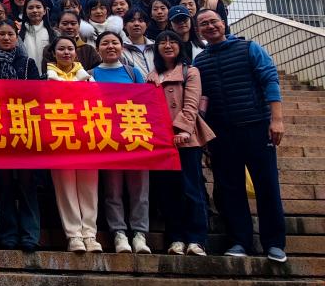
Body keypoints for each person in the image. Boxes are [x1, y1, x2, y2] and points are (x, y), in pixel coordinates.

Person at [194, 9, 287, 262]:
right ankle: (240, 241)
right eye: (203, 24)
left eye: (213, 21)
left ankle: (274, 243)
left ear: (223, 23)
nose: (210, 26)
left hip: (256, 126)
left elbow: (270, 80)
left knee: (267, 185)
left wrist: (276, 119)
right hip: (222, 133)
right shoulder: (199, 61)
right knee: (230, 188)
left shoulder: (249, 48)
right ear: (198, 31)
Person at [148, 30, 214, 256]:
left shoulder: (190, 71)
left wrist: (183, 129)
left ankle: (197, 239)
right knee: (168, 191)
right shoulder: (152, 75)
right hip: (161, 142)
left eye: (172, 42)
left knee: (192, 189)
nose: (167, 46)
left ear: (180, 46)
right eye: (162, 42)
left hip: (186, 139)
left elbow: (191, 104)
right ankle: (175, 237)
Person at [91, 31, 151, 254]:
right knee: (112, 189)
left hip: (135, 136)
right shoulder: (91, 74)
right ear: (97, 48)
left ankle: (140, 234)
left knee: (140, 189)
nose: (110, 46)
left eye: (114, 42)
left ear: (122, 47)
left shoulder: (133, 72)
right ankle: (119, 233)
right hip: (108, 139)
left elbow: (146, 103)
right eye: (105, 43)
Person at [0, 20, 42, 253]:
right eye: (2, 34)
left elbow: (38, 94)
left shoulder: (28, 63)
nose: (6, 38)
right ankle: (8, 234)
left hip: (25, 127)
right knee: (4, 183)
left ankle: (30, 234)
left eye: (10, 34)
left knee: (28, 183)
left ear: (17, 36)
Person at [45, 35, 101, 253]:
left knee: (89, 188)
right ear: (53, 53)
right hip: (60, 138)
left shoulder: (88, 78)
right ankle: (74, 235)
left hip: (86, 138)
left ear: (76, 53)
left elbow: (98, 104)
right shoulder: (45, 78)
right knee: (65, 188)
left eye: (70, 49)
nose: (66, 52)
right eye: (61, 49)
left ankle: (90, 234)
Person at [120, 7, 156, 78]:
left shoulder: (155, 47)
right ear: (124, 25)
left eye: (141, 21)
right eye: (132, 21)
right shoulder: (120, 49)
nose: (136, 24)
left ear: (147, 25)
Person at [19, 0, 52, 72]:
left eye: (38, 7)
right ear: (25, 12)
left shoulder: (53, 34)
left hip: (48, 76)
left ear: (44, 11)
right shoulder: (18, 35)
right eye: (30, 8)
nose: (34, 10)